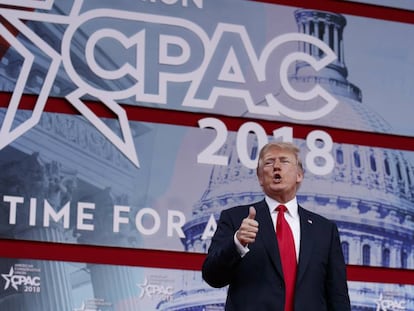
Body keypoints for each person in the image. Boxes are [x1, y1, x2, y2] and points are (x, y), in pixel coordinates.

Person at [202, 141, 351, 311]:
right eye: (269, 162)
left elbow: (337, 296)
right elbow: (212, 277)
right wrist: (237, 243)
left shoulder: (324, 230)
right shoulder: (235, 219)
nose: (276, 167)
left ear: (299, 175)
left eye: (284, 161)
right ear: (260, 178)